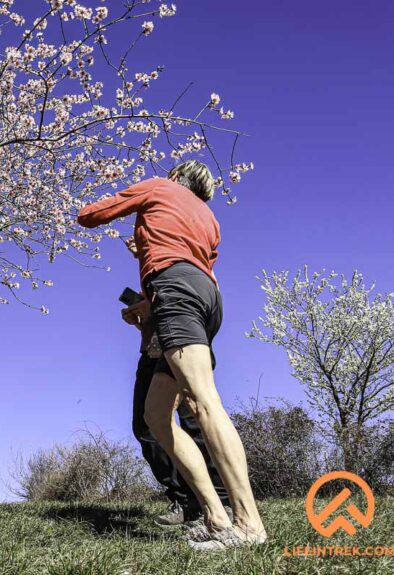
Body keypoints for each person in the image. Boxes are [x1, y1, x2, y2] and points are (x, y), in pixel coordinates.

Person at [78, 160, 267, 550]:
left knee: (203, 402)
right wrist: (150, 298)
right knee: (155, 415)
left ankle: (249, 526)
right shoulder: (209, 218)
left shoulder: (159, 187)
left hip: (176, 290)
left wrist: (128, 211)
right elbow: (194, 261)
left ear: (177, 177)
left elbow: (90, 216)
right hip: (204, 295)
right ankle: (216, 519)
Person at [124, 294, 230, 529]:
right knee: (146, 425)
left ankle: (222, 502)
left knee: (194, 420)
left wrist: (151, 308)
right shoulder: (146, 270)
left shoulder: (169, 263)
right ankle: (186, 500)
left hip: (179, 338)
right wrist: (142, 320)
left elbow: (193, 291)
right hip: (152, 347)